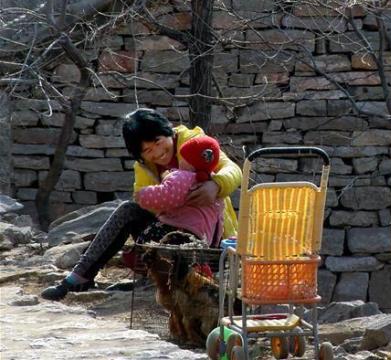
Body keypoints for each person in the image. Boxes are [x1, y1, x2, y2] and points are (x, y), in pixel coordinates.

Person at [41, 109, 241, 301]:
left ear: (169, 132)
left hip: (210, 243)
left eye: (158, 142)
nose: (158, 153)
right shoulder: (144, 168)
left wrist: (216, 185)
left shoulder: (194, 143)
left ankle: (164, 279)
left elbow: (232, 169)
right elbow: (148, 205)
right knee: (128, 210)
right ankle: (80, 276)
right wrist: (166, 196)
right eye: (148, 150)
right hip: (171, 233)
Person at [135, 135, 224, 246]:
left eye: (183, 157)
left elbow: (166, 195)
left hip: (177, 229)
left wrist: (143, 195)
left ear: (189, 161)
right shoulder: (213, 182)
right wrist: (215, 242)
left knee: (147, 236)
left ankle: (136, 252)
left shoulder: (183, 177)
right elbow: (219, 218)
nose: (180, 160)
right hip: (202, 237)